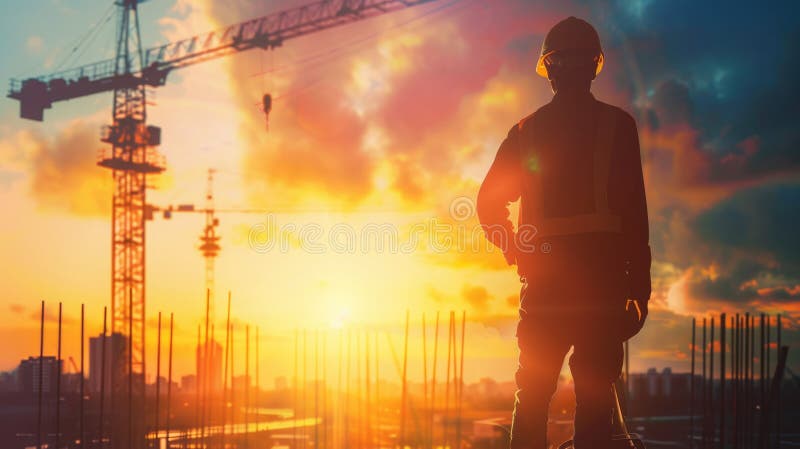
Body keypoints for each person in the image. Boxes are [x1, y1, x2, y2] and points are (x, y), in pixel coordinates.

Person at [476, 16, 651, 449]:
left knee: (533, 395)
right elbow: (635, 215)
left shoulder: (527, 132)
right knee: (594, 399)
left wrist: (514, 248)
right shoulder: (618, 126)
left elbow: (487, 204)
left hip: (546, 291)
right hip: (601, 291)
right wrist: (639, 289)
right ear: (594, 67)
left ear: (549, 70)